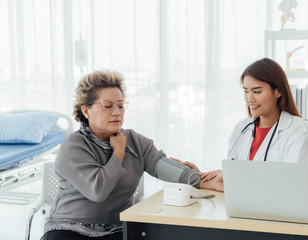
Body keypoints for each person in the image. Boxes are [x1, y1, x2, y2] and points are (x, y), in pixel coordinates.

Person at [43, 70, 220, 240]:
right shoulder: (73, 145)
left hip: (117, 229)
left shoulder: (135, 141)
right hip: (70, 229)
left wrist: (205, 181)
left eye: (121, 105)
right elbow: (97, 191)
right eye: (107, 106)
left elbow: (163, 166)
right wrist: (119, 151)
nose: (117, 112)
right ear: (86, 111)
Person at [182, 58, 308, 189]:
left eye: (257, 91)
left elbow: (293, 183)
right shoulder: (242, 128)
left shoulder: (298, 131)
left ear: (278, 91)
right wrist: (200, 176)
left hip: (278, 208)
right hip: (242, 205)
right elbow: (233, 179)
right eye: (246, 91)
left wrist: (232, 176)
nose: (249, 99)